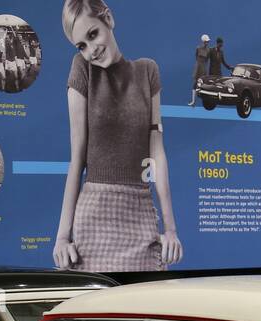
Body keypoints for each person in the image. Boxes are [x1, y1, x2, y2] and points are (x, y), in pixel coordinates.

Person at [54, 0, 182, 272]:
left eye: (93, 35)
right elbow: (77, 159)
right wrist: (63, 237)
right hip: (93, 218)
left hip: (139, 210)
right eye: (81, 45)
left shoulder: (148, 72)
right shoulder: (82, 69)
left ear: (108, 19)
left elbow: (156, 152)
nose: (91, 51)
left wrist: (170, 229)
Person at [190, 33, 209, 105]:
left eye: (208, 41)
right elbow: (196, 57)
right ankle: (193, 101)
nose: (207, 43)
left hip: (204, 68)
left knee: (204, 84)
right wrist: (199, 64)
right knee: (195, 83)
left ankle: (205, 101)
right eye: (206, 41)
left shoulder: (208, 50)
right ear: (203, 41)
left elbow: (207, 59)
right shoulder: (198, 48)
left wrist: (204, 65)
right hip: (198, 68)